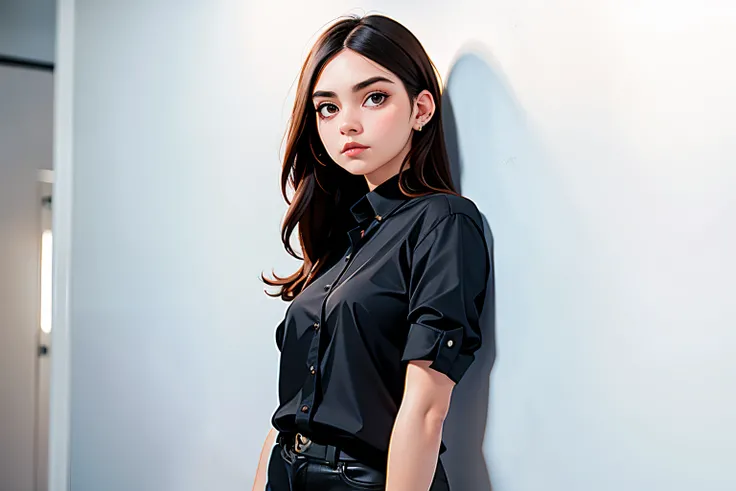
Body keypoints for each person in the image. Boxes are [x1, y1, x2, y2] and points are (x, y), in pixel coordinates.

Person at [252, 13, 491, 491]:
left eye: (374, 97)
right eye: (328, 108)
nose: (348, 124)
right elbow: (287, 413)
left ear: (421, 109)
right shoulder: (344, 238)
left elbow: (425, 410)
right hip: (289, 471)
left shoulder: (443, 222)